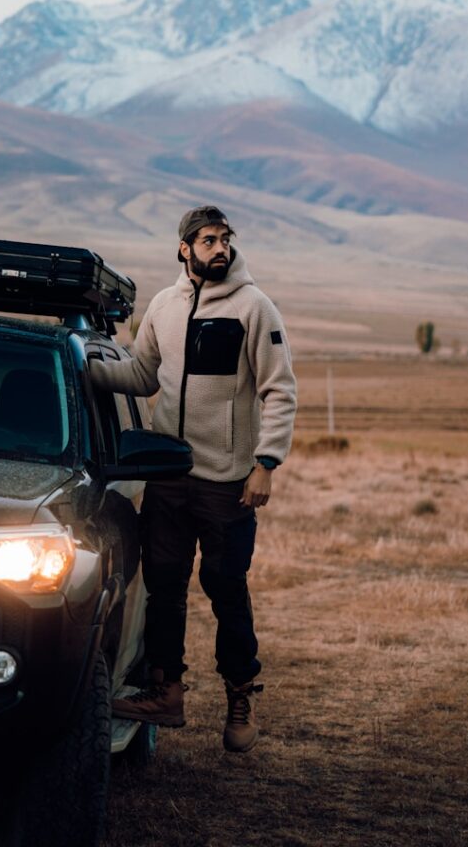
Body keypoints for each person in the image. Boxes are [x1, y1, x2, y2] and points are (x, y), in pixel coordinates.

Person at [90, 205, 297, 752]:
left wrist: (266, 464)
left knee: (226, 588)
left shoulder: (255, 308)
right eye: (208, 240)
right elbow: (139, 374)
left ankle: (240, 694)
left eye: (225, 239)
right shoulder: (163, 304)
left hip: (229, 483)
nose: (220, 248)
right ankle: (166, 691)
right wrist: (80, 367)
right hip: (169, 477)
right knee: (163, 589)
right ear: (185, 248)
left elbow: (280, 391)